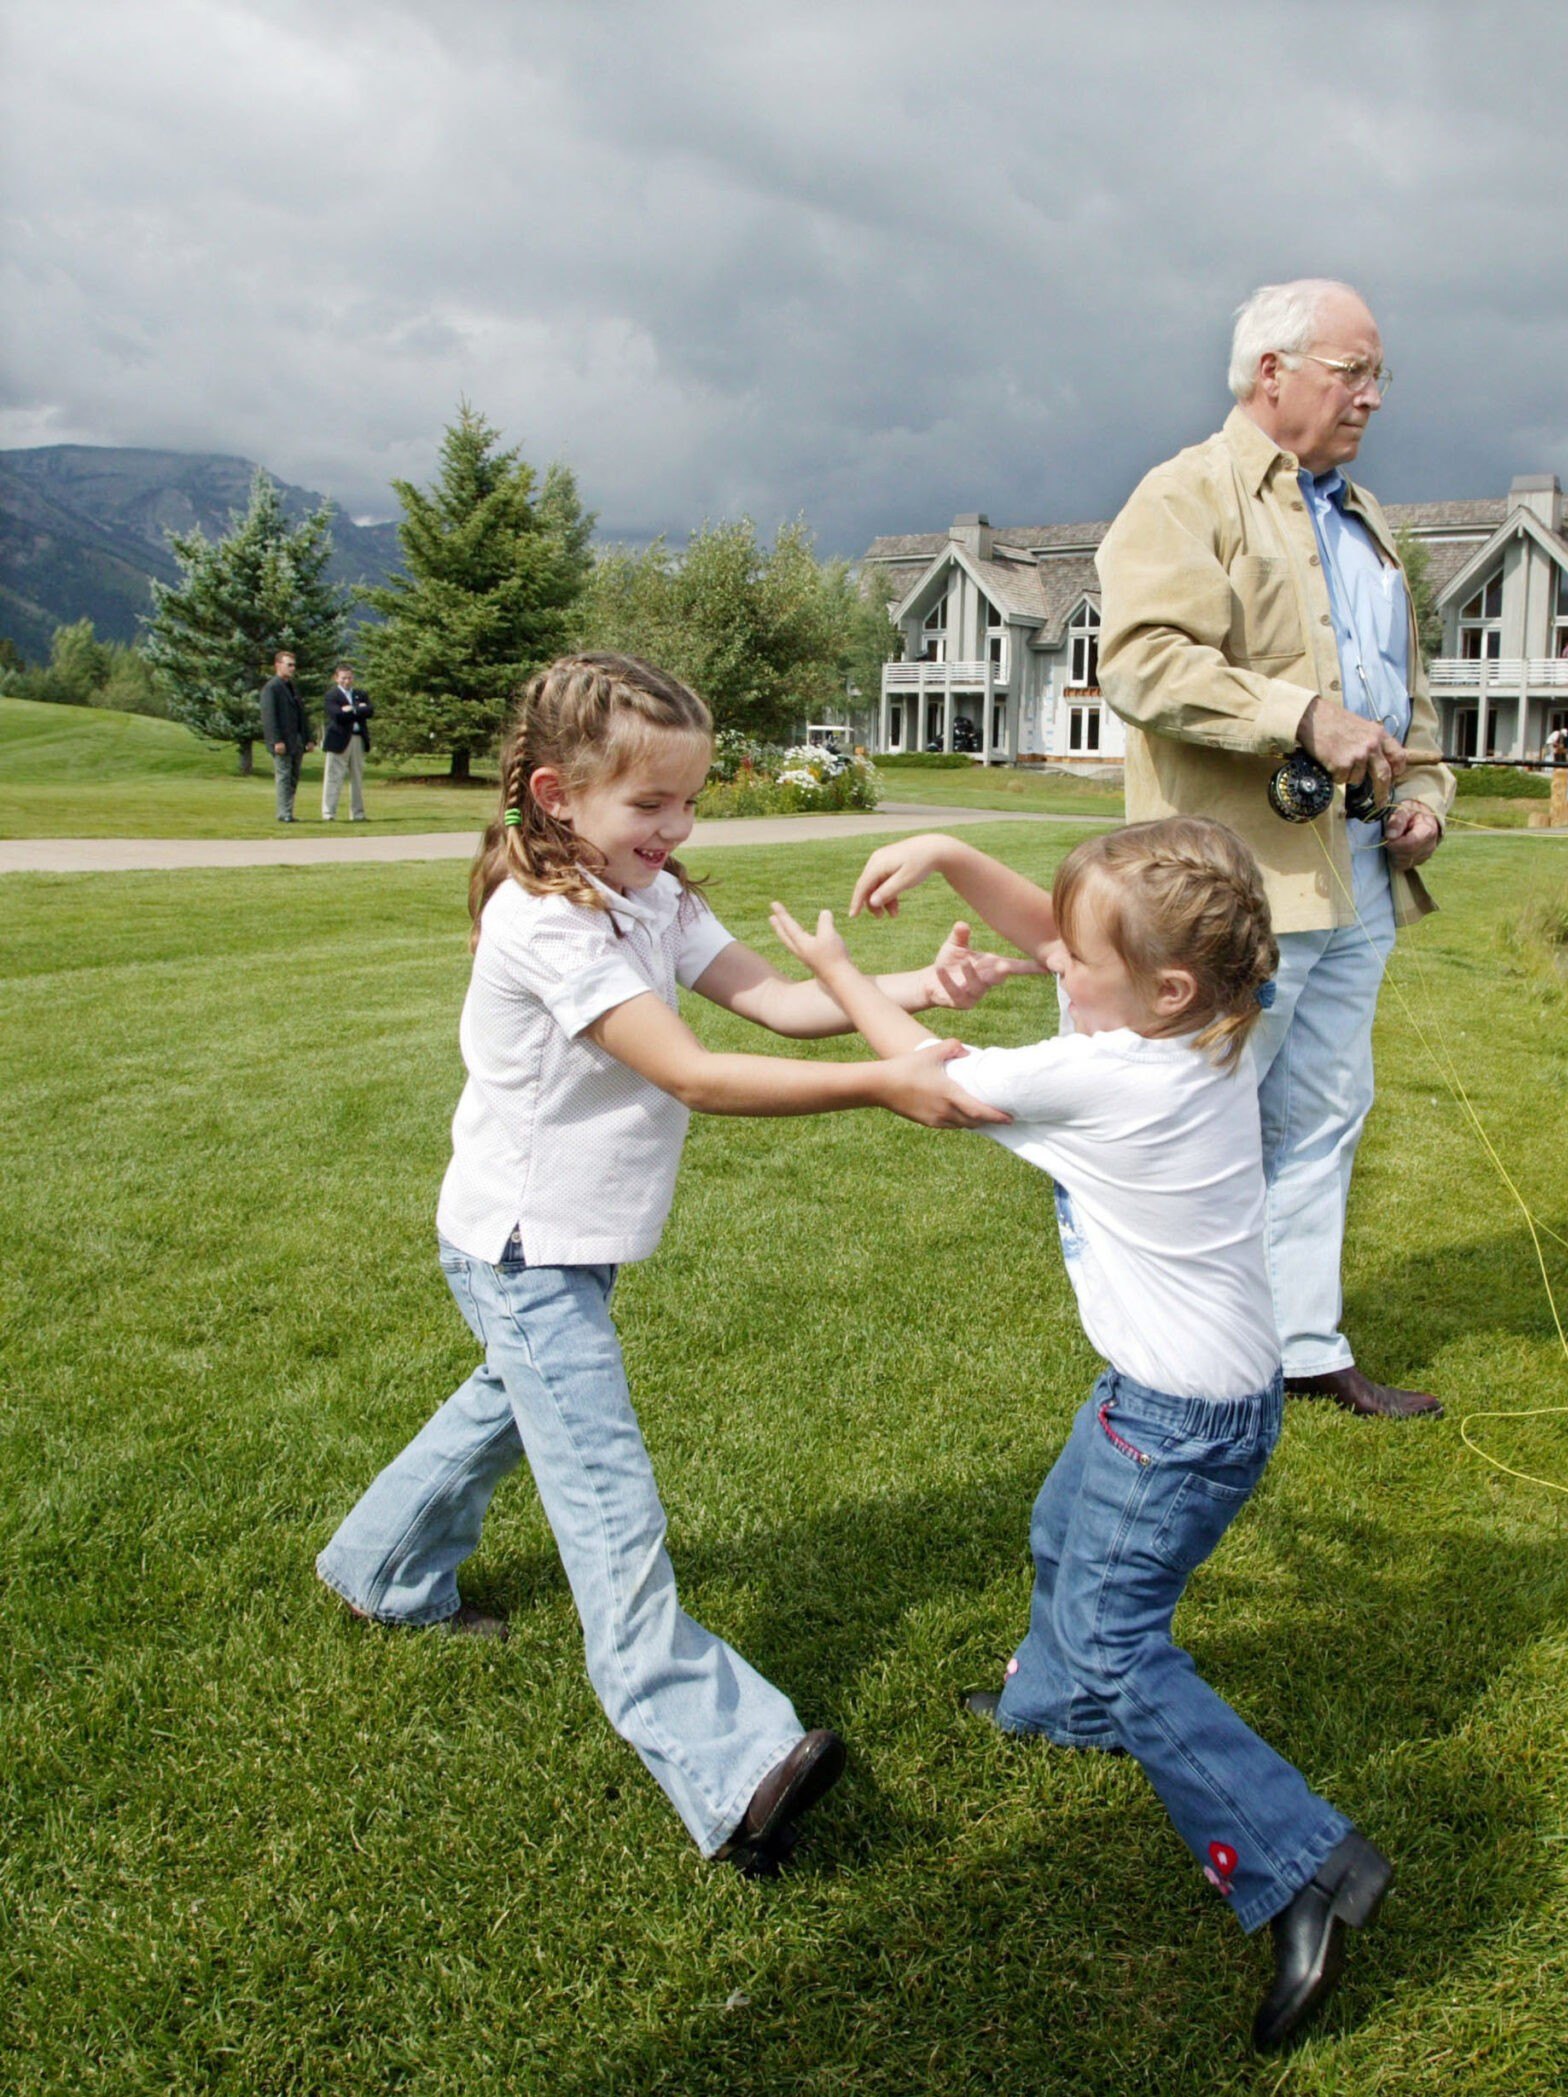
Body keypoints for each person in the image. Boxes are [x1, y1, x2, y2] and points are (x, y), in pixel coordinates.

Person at [315, 652, 1030, 1873]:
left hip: (561, 1244)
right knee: (605, 1496)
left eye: (690, 801)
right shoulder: (544, 919)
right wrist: (883, 1083)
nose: (677, 826)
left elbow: (770, 1004)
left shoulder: (651, 893)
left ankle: (381, 1569)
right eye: (650, 805)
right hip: (523, 1246)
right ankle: (729, 1760)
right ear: (554, 794)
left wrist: (915, 985)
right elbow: (691, 1072)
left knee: (507, 1401)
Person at [771, 817, 1395, 2051]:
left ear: (1160, 986)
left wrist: (842, 976)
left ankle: (1302, 1864)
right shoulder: (1213, 1021)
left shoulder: (1120, 1074)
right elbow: (1070, 937)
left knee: (1119, 1637)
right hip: (1179, 1402)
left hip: (1174, 1422)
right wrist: (949, 851)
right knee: (1064, 1533)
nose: (1052, 963)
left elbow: (934, 1085)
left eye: (1075, 961)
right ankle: (1053, 1707)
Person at [1098, 278, 1456, 1420]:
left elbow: (1408, 696)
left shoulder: (1366, 518)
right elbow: (1143, 662)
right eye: (1354, 373)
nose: (1372, 398)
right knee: (1210, 1118)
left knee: (1325, 1113)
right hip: (1234, 886)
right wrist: (1300, 717)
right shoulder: (1183, 494)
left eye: (1375, 376)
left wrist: (1429, 798)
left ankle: (1300, 1347)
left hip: (1355, 878)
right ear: (1272, 374)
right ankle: (1181, 1359)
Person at [260, 650, 309, 822]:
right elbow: (269, 717)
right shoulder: (272, 688)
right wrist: (276, 740)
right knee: (283, 776)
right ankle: (284, 813)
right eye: (289, 664)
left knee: (293, 776)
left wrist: (307, 738)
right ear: (278, 665)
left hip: (295, 739)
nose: (292, 668)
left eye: (294, 665)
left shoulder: (292, 687)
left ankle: (288, 810)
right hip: (282, 741)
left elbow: (301, 715)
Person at [321, 663, 373, 821]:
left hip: (357, 738)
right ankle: (329, 813)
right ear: (336, 678)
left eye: (349, 677)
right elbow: (338, 716)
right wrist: (358, 710)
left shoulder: (360, 694)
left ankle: (357, 813)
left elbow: (370, 711)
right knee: (334, 778)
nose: (347, 681)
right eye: (343, 678)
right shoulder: (332, 695)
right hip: (339, 740)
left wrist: (351, 709)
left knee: (357, 778)